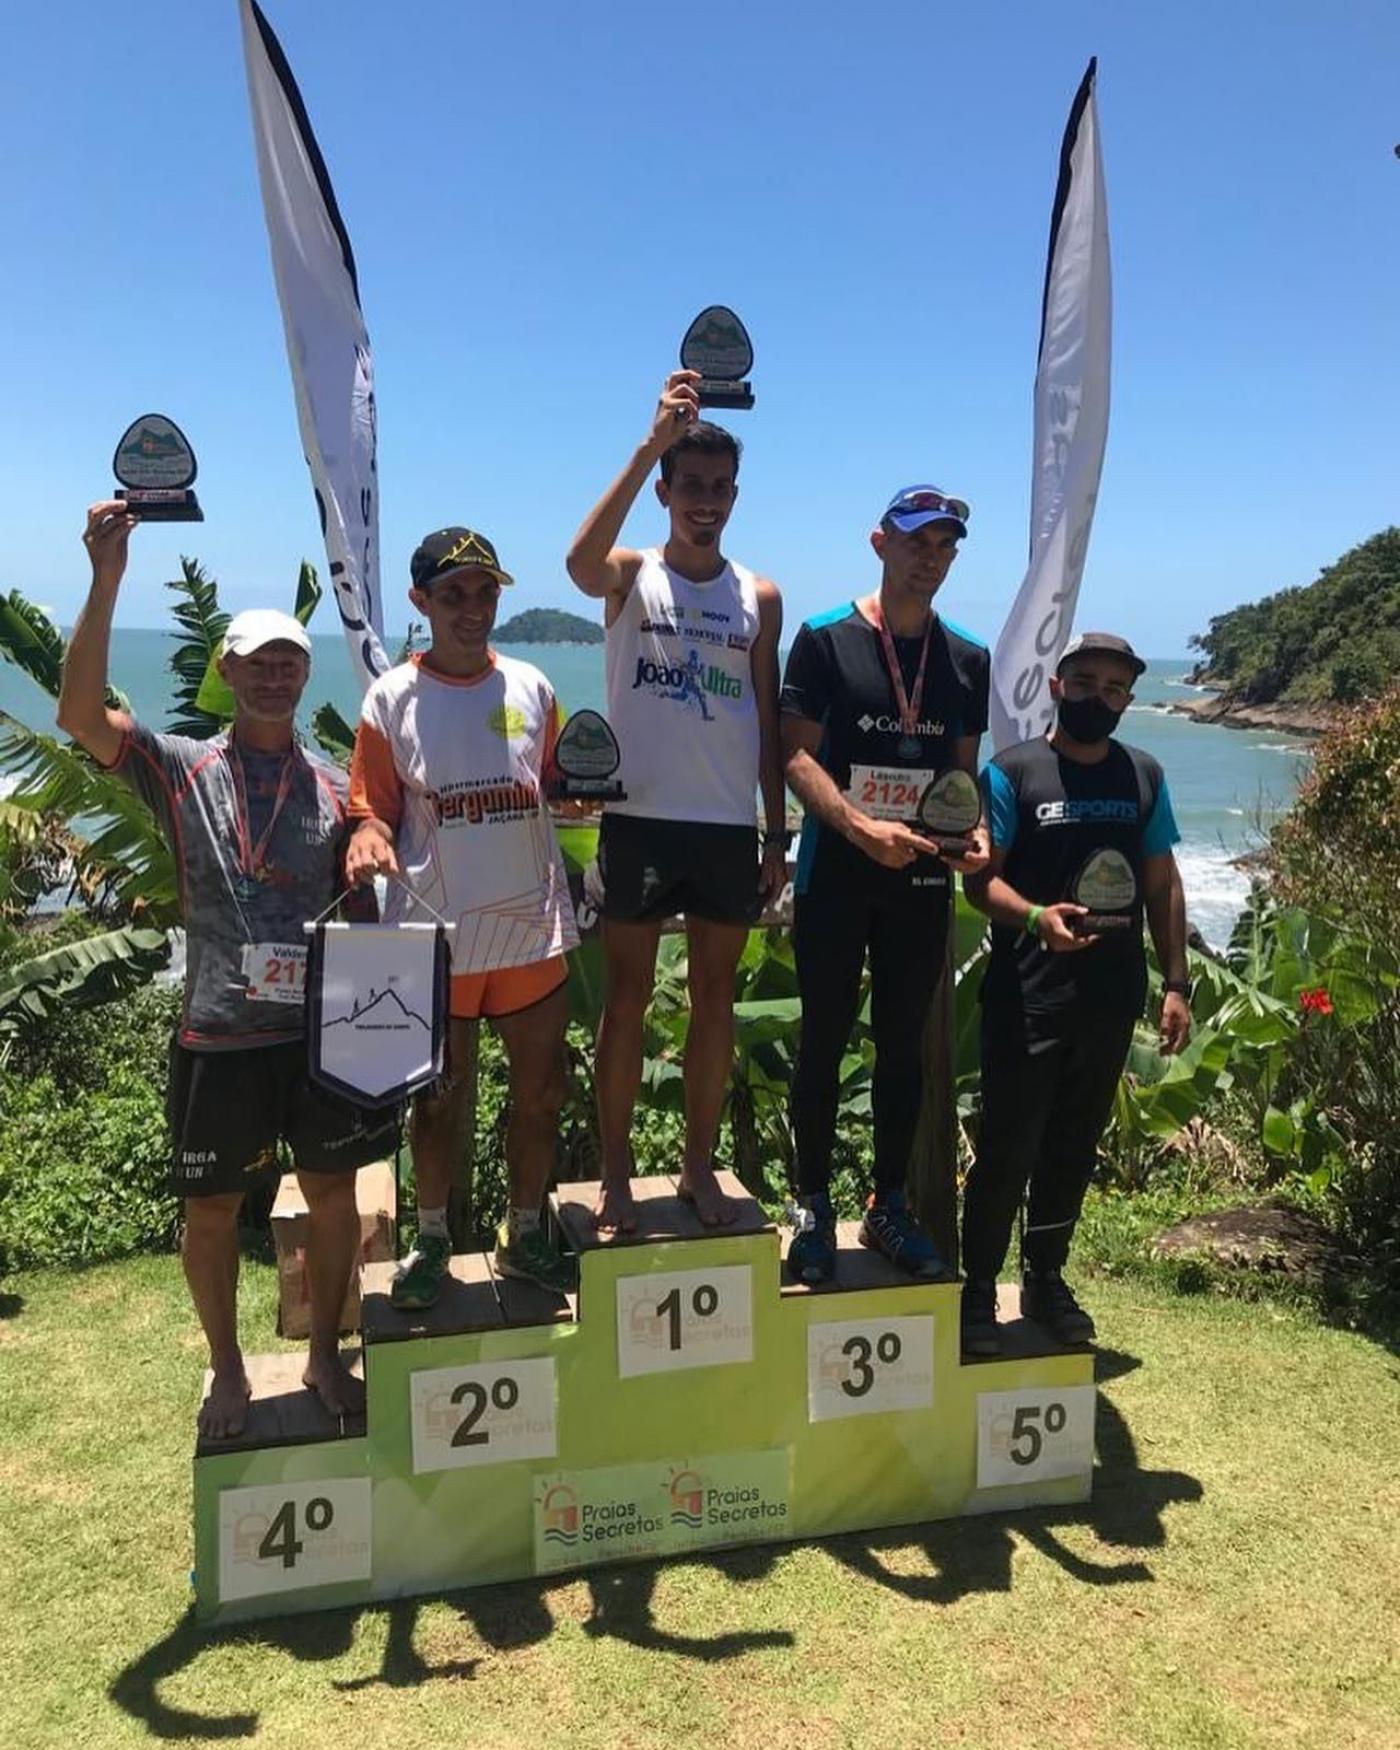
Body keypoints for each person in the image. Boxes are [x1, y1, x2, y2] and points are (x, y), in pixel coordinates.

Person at [58, 503, 396, 1440]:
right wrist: (107, 576)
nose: (277, 675)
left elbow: (372, 853)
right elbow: (80, 715)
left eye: (291, 661)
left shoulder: (334, 782)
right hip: (216, 1031)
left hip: (319, 1035)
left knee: (336, 1202)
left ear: (303, 671)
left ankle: (327, 1354)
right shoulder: (177, 767)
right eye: (258, 662)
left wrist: (371, 843)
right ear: (227, 672)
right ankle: (229, 1372)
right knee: (208, 1210)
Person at [566, 371, 786, 1232]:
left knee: (714, 1002)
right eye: (689, 487)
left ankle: (698, 1167)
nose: (706, 503)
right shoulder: (632, 574)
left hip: (727, 826)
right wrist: (648, 441)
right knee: (624, 1003)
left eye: (719, 489)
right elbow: (579, 563)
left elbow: (765, 719)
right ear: (665, 492)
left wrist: (776, 832)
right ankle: (616, 1177)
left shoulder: (756, 596)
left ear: (735, 496)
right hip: (640, 816)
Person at [345, 527, 578, 1303]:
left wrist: (580, 796)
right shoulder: (390, 699)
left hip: (531, 930)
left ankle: (524, 1233)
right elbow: (372, 810)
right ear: (422, 602)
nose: (473, 610)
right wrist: (370, 837)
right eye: (454, 596)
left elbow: (560, 783)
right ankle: (434, 1240)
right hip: (436, 934)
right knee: (436, 1105)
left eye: (486, 593)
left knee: (539, 1095)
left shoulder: (534, 687)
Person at [780, 486, 990, 1283]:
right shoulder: (826, 640)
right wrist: (861, 828)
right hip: (836, 870)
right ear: (880, 543)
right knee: (823, 1044)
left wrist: (973, 838)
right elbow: (793, 755)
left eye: (944, 545)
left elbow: (963, 780)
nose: (929, 556)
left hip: (919, 881)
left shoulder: (966, 657)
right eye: (915, 541)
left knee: (904, 1046)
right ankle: (810, 1207)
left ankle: (888, 1205)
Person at [960, 632, 1192, 1352]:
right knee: (1008, 1146)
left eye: (1115, 688)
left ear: (1128, 699)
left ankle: (1046, 1280)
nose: (1100, 697)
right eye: (1085, 681)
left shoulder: (1143, 776)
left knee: (1072, 1146)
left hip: (1110, 996)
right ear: (1056, 688)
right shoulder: (1013, 773)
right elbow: (979, 880)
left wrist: (1176, 980)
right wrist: (1034, 917)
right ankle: (976, 1293)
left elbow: (1162, 883)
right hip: (1028, 995)